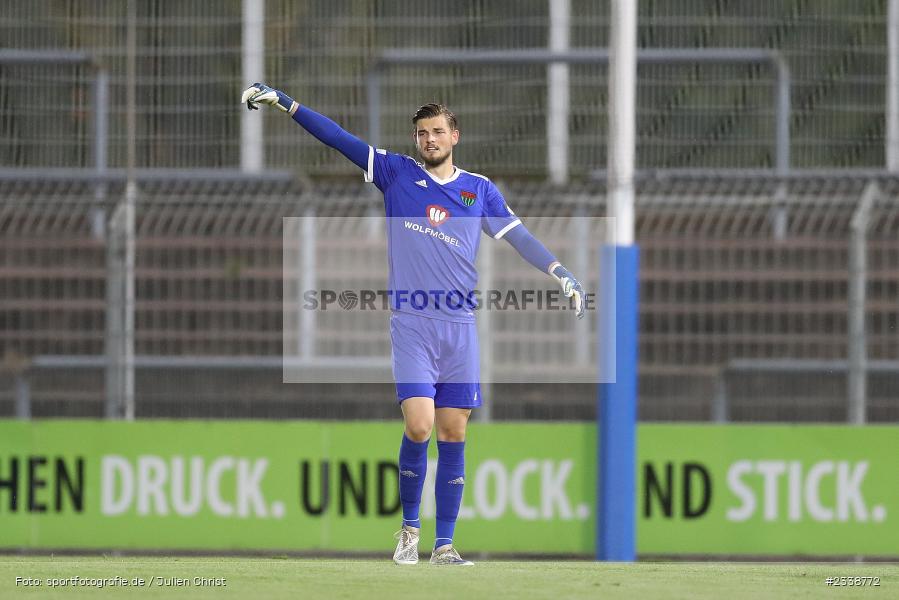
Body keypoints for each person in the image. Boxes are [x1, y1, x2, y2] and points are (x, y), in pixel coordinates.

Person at [241, 83, 585, 566]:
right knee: (420, 426)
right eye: (422, 132)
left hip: (460, 326)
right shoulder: (396, 174)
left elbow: (519, 236)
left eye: (438, 131)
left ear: (454, 136)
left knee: (453, 432)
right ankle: (409, 528)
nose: (429, 139)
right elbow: (340, 139)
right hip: (413, 323)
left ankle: (444, 545)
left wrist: (559, 271)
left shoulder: (478, 189)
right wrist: (288, 104)